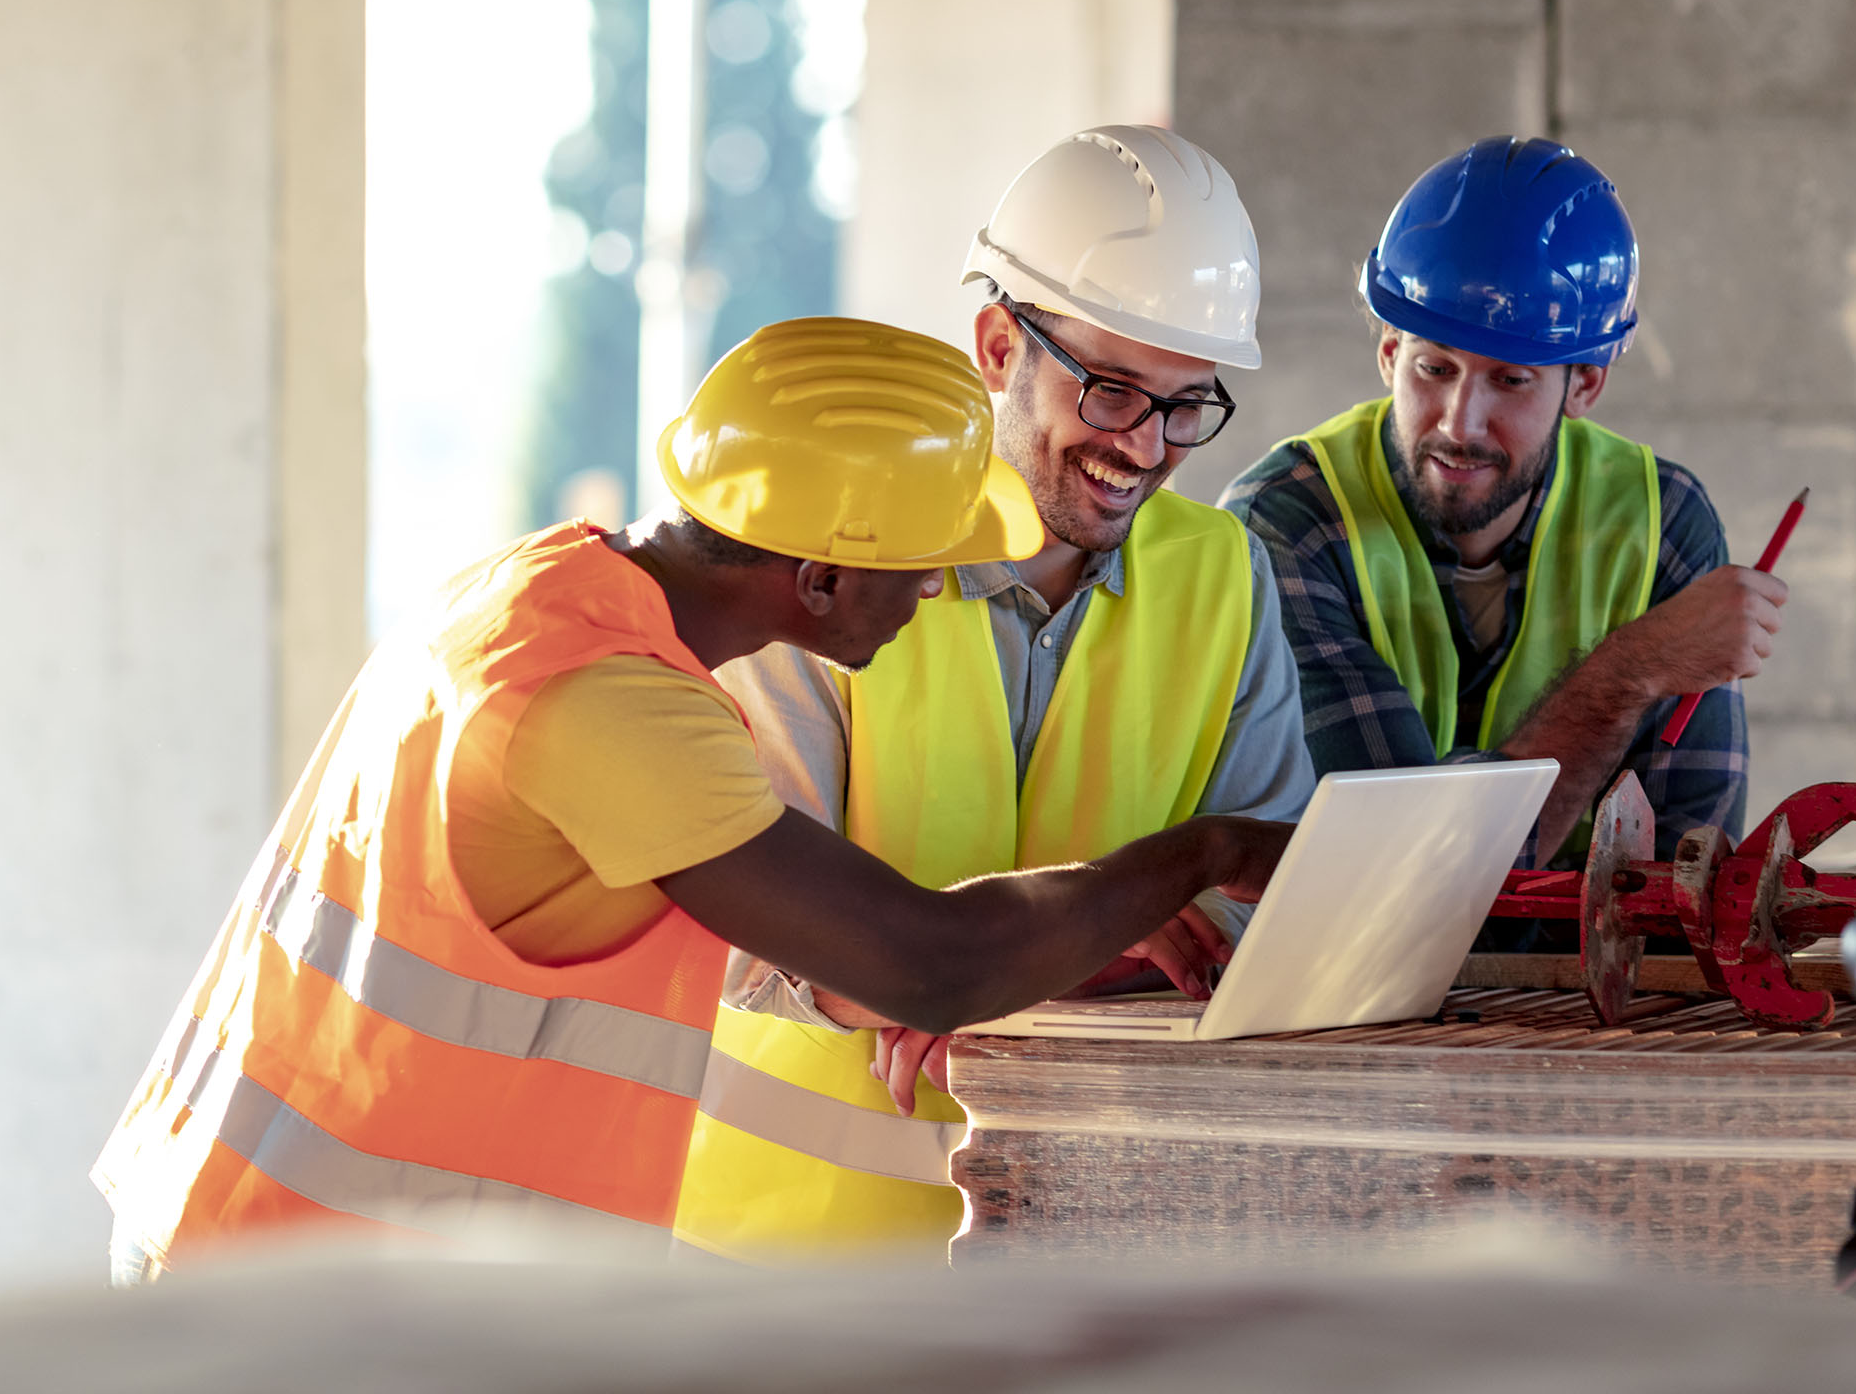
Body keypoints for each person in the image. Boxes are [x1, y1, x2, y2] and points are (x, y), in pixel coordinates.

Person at [92, 317, 1293, 1278]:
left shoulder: (547, 591)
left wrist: (1075, 932)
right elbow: (925, 962)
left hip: (292, 1251)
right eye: (924, 559)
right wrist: (1202, 852)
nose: (938, 589)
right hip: (296, 1283)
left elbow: (849, 952)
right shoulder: (611, 711)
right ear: (821, 575)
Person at [674, 128, 1318, 1263]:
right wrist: (1106, 925)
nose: (1147, 446)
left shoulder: (1224, 574)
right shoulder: (823, 553)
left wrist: (1023, 966)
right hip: (801, 1255)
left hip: (1093, 1240)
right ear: (994, 346)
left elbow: (1262, 906)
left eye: (1187, 405)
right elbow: (754, 939)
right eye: (1113, 390)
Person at [1222, 136, 1772, 890]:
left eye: (1510, 380)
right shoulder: (1286, 522)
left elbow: (1687, 891)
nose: (1459, 422)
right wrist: (1631, 671)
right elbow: (1401, 877)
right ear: (1388, 352)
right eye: (1433, 368)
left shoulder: (1662, 523)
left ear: (1585, 386)